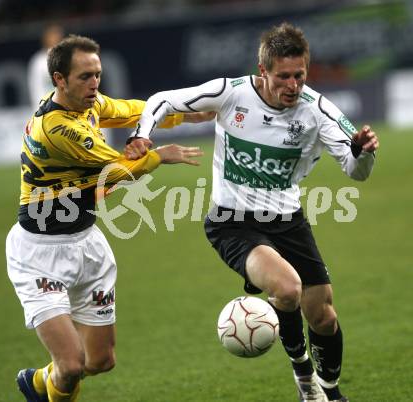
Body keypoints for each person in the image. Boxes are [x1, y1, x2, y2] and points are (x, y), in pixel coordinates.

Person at [124, 22, 379, 402]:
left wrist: (363, 153)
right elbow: (163, 99)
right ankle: (305, 378)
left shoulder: (318, 110)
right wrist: (142, 134)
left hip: (288, 221)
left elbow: (356, 172)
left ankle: (331, 391)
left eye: (299, 75)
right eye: (283, 76)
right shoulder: (231, 94)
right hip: (232, 224)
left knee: (323, 316)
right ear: (263, 71)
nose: (292, 85)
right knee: (287, 287)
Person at [6, 34, 211, 402]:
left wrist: (182, 113)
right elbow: (115, 172)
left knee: (99, 361)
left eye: (97, 75)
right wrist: (158, 155)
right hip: (39, 252)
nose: (95, 84)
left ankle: (38, 383)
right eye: (85, 76)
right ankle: (53, 384)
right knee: (70, 365)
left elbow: (130, 110)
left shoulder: (88, 103)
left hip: (87, 245)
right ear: (59, 80)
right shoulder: (56, 129)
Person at [27, 24, 64, 109]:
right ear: (45, 38)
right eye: (53, 35)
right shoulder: (38, 61)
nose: (56, 38)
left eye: (58, 35)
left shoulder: (68, 58)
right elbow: (36, 89)